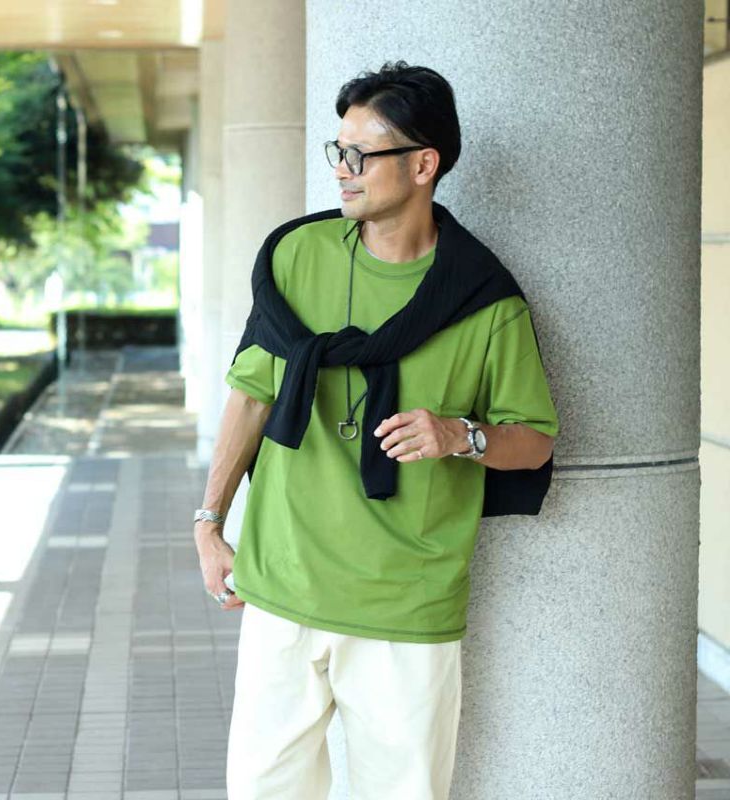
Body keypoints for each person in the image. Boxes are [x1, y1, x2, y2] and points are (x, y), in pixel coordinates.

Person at [194, 60, 559, 800]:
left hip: (404, 605)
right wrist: (209, 520)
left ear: (423, 165)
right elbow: (252, 393)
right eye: (339, 151)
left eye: (361, 155)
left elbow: (535, 440)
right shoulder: (297, 255)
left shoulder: (484, 300)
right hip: (282, 582)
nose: (342, 170)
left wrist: (460, 435)